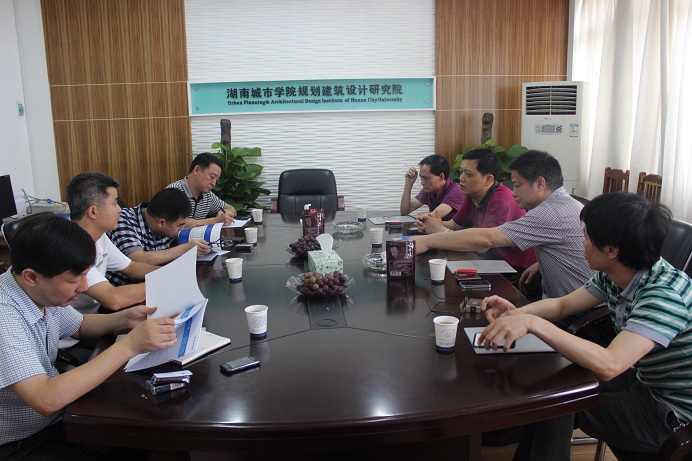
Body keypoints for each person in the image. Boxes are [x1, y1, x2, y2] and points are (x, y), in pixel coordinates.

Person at [478, 192, 692, 460]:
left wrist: (532, 323)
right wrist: (516, 314)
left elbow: (610, 364)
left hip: (671, 413)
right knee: (554, 387)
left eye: (587, 237)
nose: (582, 242)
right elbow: (562, 305)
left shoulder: (663, 295)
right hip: (644, 382)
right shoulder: (621, 272)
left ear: (611, 250)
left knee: (560, 403)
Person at [0, 216, 176, 460]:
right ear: (32, 277)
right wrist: (130, 345)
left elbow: (79, 325)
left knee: (142, 432)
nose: (83, 287)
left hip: (58, 417)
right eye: (74, 280)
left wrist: (124, 319)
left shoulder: (39, 291)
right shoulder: (5, 316)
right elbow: (45, 399)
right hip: (20, 440)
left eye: (86, 275)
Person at [413, 150, 593, 305]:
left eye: (517, 186)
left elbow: (487, 240)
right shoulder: (562, 204)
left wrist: (428, 241)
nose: (513, 192)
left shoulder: (549, 212)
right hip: (560, 301)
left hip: (574, 313)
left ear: (540, 183)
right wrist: (540, 264)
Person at [416, 149, 537, 271]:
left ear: (488, 179)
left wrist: (441, 230)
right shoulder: (472, 194)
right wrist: (431, 223)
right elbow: (456, 225)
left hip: (515, 269)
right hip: (488, 261)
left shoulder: (502, 200)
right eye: (461, 172)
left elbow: (482, 245)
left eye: (468, 174)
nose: (461, 178)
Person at [66, 172, 159, 321]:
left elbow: (131, 267)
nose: (120, 209)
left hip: (93, 317)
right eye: (115, 203)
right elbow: (113, 299)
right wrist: (166, 282)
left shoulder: (99, 236)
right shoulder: (70, 246)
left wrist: (168, 272)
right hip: (77, 328)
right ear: (93, 211)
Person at [106, 188, 211, 286]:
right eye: (180, 225)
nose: (182, 228)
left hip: (157, 283)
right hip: (123, 289)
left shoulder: (160, 220)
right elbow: (137, 259)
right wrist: (185, 249)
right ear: (161, 223)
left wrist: (190, 233)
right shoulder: (123, 220)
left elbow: (173, 234)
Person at [167, 153, 237, 228]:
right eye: (212, 177)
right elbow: (175, 223)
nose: (213, 183)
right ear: (196, 170)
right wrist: (216, 220)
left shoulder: (207, 195)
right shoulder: (173, 191)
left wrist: (224, 212)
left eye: (217, 179)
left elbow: (231, 209)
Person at [400, 154, 465, 221]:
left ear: (441, 177)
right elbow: (405, 211)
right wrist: (408, 184)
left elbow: (433, 216)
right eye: (421, 177)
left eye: (426, 178)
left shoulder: (456, 190)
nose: (422, 182)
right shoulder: (430, 190)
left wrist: (422, 217)